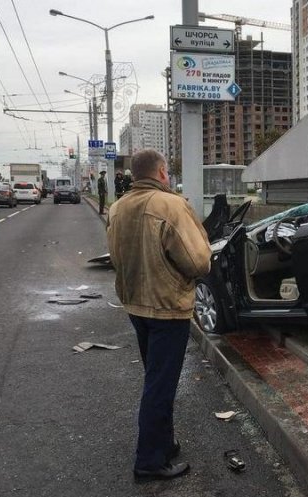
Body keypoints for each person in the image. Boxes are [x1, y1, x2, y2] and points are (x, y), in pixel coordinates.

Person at [106, 149, 211, 482]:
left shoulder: (119, 207)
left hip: (136, 305)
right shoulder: (171, 206)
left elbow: (115, 257)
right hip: (167, 307)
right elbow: (198, 262)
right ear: (162, 172)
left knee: (156, 379)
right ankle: (150, 461)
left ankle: (164, 444)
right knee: (160, 387)